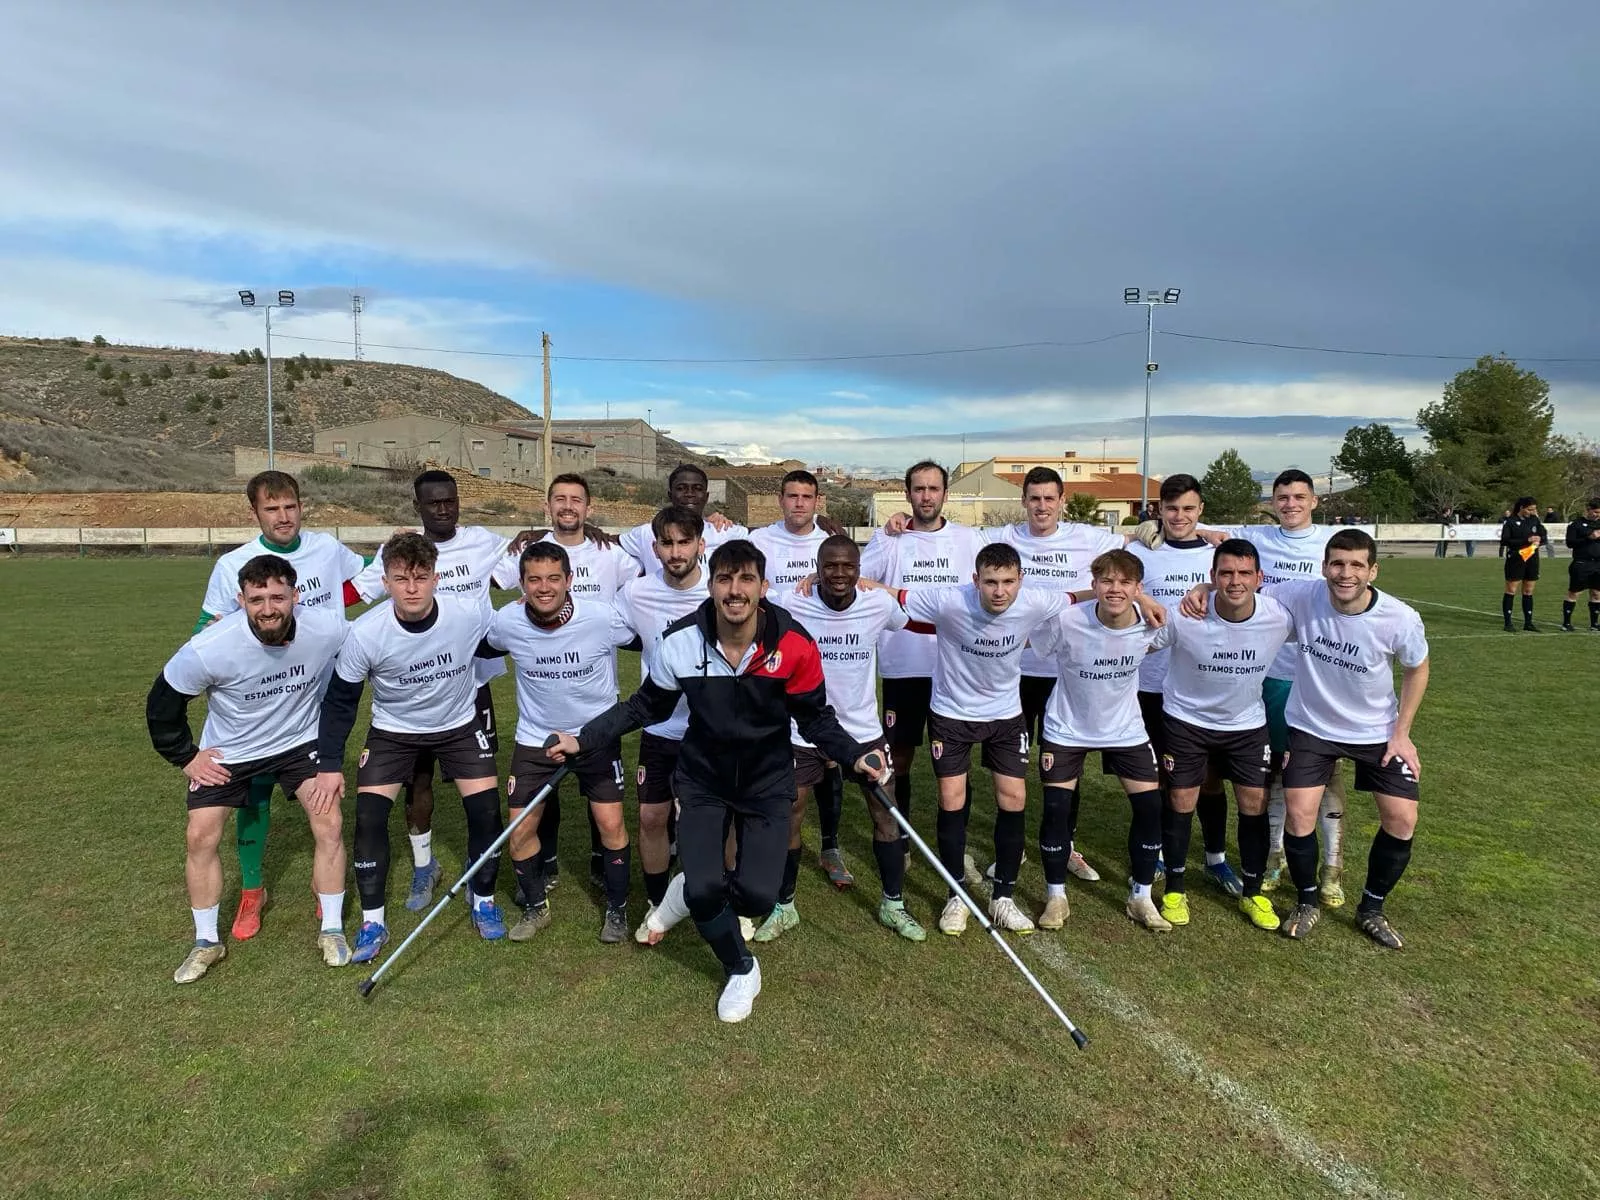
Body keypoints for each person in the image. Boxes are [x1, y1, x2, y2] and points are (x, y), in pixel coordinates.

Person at [550, 539, 885, 1024]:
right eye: (725, 579)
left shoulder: (795, 644)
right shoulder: (681, 640)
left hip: (767, 780)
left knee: (759, 897)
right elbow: (646, 706)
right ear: (711, 586)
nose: (735, 590)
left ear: (763, 588)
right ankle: (740, 967)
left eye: (746, 579)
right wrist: (585, 739)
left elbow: (815, 720)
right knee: (708, 890)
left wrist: (855, 756)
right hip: (703, 780)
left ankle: (689, 890)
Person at [1190, 529, 1429, 948]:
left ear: (1373, 570)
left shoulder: (1399, 617)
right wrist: (1204, 586)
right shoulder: (1302, 595)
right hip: (1312, 728)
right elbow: (1244, 586)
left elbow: (1417, 668)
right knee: (1300, 815)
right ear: (1324, 567)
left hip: (1376, 732)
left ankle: (1372, 908)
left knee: (1402, 819)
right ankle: (1307, 900)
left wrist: (1403, 733)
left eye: (1357, 565)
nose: (1345, 573)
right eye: (1337, 563)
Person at [146, 554, 351, 982]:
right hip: (231, 751)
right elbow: (163, 704)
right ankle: (206, 942)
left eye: (278, 596)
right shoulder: (209, 647)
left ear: (296, 596)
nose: (269, 608)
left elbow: (370, 649)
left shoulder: (326, 627)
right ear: (241, 600)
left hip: (298, 743)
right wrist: (186, 756)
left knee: (329, 823)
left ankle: (331, 928)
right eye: (257, 599)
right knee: (200, 833)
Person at [315, 533, 507, 963]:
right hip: (393, 732)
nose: (412, 588)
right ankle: (373, 921)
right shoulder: (365, 633)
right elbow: (341, 703)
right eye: (401, 578)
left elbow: (519, 635)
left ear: (437, 578)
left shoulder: (468, 615)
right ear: (385, 581)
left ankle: (484, 901)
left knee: (486, 812)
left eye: (421, 577)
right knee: (368, 818)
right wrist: (329, 764)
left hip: (458, 726)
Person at [191, 470, 366, 940]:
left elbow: (365, 579)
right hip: (257, 706)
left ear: (301, 506)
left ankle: (323, 886)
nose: (283, 516)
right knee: (253, 796)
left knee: (325, 799)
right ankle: (253, 890)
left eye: (290, 506)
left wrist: (331, 612)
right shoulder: (233, 565)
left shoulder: (327, 549)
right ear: (255, 513)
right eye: (272, 509)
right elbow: (207, 630)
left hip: (317, 696)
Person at [350, 471, 521, 910]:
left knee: (479, 789)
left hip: (471, 680)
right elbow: (358, 591)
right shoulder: (399, 552)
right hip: (414, 687)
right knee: (418, 782)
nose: (444, 509)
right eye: (433, 503)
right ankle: (424, 867)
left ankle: (478, 870)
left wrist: (543, 531)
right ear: (418, 508)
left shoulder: (482, 540)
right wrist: (302, 603)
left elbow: (526, 561)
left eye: (450, 501)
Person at [894, 543, 1077, 936]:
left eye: (1008, 582)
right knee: (951, 800)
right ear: (975, 580)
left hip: (1006, 717)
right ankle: (955, 895)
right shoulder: (948, 601)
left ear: (1021, 581)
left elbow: (1081, 595)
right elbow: (893, 595)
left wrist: (1142, 598)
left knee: (1014, 799)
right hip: (951, 715)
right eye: (990, 582)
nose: (999, 591)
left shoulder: (1035, 601)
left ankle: (1003, 897)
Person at [763, 535, 923, 942]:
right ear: (817, 568)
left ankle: (893, 904)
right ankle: (784, 906)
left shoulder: (878, 604)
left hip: (863, 732)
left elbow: (903, 621)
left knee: (884, 813)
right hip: (804, 729)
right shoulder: (793, 602)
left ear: (859, 569)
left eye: (847, 566)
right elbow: (756, 597)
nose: (839, 574)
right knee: (791, 814)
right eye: (829, 566)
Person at [484, 541, 639, 943]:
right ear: (521, 584)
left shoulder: (602, 618)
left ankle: (617, 910)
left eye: (554, 578)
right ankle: (536, 907)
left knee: (611, 824)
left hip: (595, 736)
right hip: (535, 737)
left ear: (570, 580)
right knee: (519, 829)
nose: (544, 587)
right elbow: (481, 646)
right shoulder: (508, 621)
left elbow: (649, 640)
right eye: (534, 579)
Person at [989, 467, 1126, 888]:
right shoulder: (1004, 538)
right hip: (1015, 671)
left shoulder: (1090, 539)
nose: (1042, 506)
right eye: (1034, 498)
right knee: (1009, 766)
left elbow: (1145, 541)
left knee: (1068, 764)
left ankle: (1065, 845)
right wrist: (895, 525)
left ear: (1063, 500)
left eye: (1050, 498)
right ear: (1024, 500)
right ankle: (1010, 849)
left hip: (1069, 672)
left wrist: (1211, 533)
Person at [1155, 539, 1294, 932]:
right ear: (1212, 578)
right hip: (1186, 720)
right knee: (1183, 797)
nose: (1235, 581)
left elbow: (1327, 618)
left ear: (1259, 578)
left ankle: (1254, 893)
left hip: (1246, 724)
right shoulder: (1186, 616)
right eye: (1226, 573)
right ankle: (1176, 888)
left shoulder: (1278, 617)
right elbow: (1136, 643)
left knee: (1254, 801)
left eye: (1244, 573)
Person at [859, 461, 988, 881]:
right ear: (907, 493)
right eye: (919, 489)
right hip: (903, 667)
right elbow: (857, 581)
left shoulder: (969, 539)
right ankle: (903, 838)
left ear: (946, 493)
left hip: (956, 670)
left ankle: (958, 845)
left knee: (956, 763)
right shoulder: (889, 538)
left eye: (934, 488)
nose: (926, 496)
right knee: (900, 758)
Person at [1029, 549, 1170, 930]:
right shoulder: (1067, 621)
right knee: (1057, 809)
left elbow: (1172, 634)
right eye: (1106, 581)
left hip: (1125, 730)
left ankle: (1141, 897)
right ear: (1093, 585)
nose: (1114, 589)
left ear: (1139, 588)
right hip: (1066, 728)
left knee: (1150, 809)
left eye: (1125, 582)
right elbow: (1033, 645)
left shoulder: (1153, 623)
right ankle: (1056, 896)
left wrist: (1146, 602)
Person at [1228, 469, 1346, 903]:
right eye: (1282, 497)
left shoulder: (1334, 543)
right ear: (1273, 501)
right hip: (1273, 673)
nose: (1290, 503)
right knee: (1276, 769)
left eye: (1299, 496)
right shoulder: (1258, 538)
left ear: (1314, 500)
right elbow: (1203, 530)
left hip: (1321, 677)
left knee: (1325, 774)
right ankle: (1275, 857)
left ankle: (1332, 869)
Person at [1128, 474, 1245, 896]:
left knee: (1210, 778)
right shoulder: (1140, 551)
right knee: (1159, 774)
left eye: (1189, 509)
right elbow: (1115, 580)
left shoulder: (1218, 552)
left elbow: (1245, 583)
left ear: (1201, 510)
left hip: (1205, 686)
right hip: (1149, 682)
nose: (1180, 517)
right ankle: (1157, 849)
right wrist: (1142, 598)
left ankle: (1215, 857)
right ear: (1158, 510)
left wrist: (1208, 584)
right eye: (1171, 508)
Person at [530, 473, 640, 891]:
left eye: (576, 499)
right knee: (547, 783)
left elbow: (653, 573)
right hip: (544, 693)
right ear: (548, 506)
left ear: (588, 508)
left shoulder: (610, 552)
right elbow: (489, 581)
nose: (568, 506)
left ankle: (600, 858)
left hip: (598, 690)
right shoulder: (529, 548)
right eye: (560, 499)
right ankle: (551, 860)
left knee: (602, 789)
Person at [750, 469, 854, 886]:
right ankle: (766, 840)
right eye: (791, 495)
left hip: (830, 664)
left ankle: (830, 845)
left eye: (806, 497)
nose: (798, 503)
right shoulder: (760, 539)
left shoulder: (827, 541)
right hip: (774, 662)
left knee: (829, 756)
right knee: (782, 759)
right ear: (780, 499)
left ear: (818, 501)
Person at [614, 506, 710, 944]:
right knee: (652, 819)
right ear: (655, 549)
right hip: (659, 730)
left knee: (712, 823)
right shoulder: (637, 594)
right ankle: (657, 902)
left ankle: (714, 898)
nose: (676, 552)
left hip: (710, 732)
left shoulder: (719, 590)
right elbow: (601, 624)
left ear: (700, 545)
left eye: (683, 542)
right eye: (667, 544)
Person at [618, 464, 748, 570]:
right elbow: (607, 543)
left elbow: (761, 534)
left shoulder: (724, 531)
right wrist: (597, 532)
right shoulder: (646, 533)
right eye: (681, 488)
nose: (689, 494)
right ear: (670, 495)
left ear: (706, 497)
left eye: (697, 488)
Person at [1499, 497, 1547, 632]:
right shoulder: (1511, 522)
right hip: (1516, 558)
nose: (1533, 512)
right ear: (1521, 508)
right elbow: (1505, 541)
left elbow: (1544, 535)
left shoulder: (1534, 520)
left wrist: (1539, 539)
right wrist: (1527, 539)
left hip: (1532, 558)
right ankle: (1508, 623)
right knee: (1511, 589)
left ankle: (1528, 622)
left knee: (1528, 590)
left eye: (1534, 509)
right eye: (1530, 509)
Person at [1562, 498, 1600, 632]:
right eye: (1595, 512)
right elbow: (1570, 543)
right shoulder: (1576, 525)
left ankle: (1594, 624)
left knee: (1596, 593)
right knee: (1575, 593)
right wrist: (1588, 537)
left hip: (1598, 564)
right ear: (1588, 509)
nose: (1597, 515)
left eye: (1599, 512)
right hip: (1581, 563)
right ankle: (1566, 623)